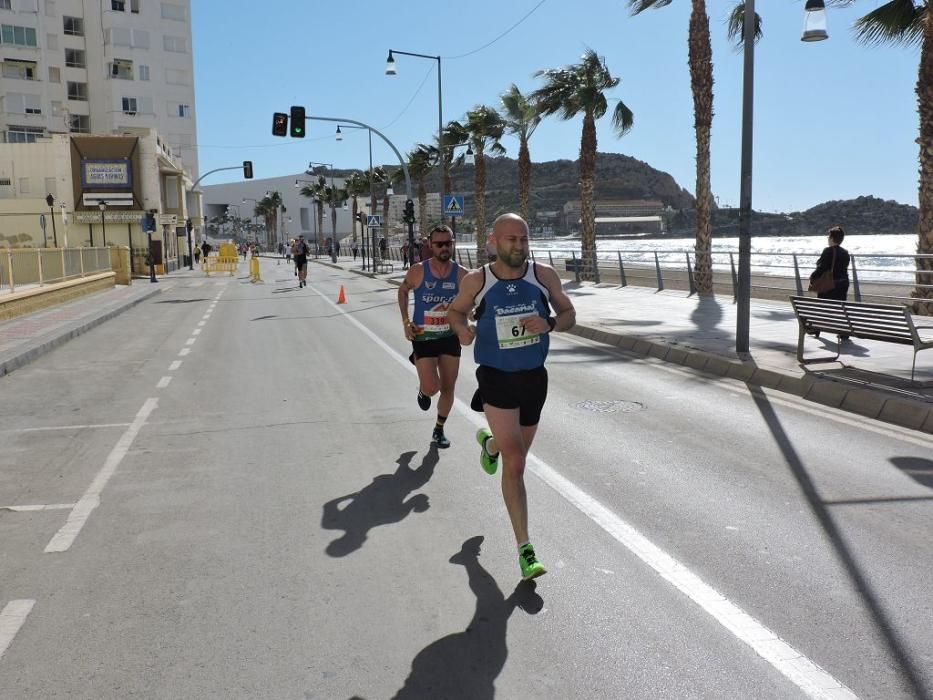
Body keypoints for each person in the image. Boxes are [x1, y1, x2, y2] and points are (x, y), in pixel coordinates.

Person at [447, 213, 576, 581]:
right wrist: (463, 331)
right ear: (493, 241)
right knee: (516, 463)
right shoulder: (478, 280)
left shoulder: (543, 275)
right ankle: (525, 549)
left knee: (512, 453)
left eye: (523, 239)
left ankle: (490, 445)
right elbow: (456, 312)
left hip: (534, 378)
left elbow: (569, 313)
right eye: (510, 240)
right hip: (496, 377)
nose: (518, 246)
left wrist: (550, 323)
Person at [397, 224, 467, 449]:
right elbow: (403, 290)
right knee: (432, 387)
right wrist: (406, 321)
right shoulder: (418, 270)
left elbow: (471, 304)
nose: (444, 247)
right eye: (439, 244)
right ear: (430, 245)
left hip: (449, 337)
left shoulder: (462, 274)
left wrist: (469, 321)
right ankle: (423, 389)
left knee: (448, 388)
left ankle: (439, 429)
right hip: (423, 337)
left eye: (448, 243)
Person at [809, 225, 851, 338]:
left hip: (830, 284)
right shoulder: (846, 253)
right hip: (843, 283)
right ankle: (843, 332)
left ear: (832, 239)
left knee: (822, 306)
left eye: (829, 237)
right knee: (840, 308)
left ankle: (816, 328)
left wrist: (812, 278)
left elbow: (821, 268)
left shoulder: (827, 251)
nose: (828, 239)